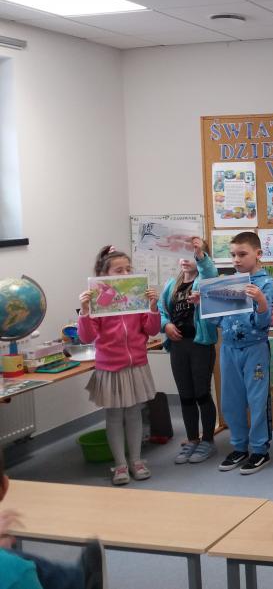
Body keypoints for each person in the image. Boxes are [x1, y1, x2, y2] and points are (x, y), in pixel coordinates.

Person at [79, 246, 160, 486]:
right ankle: (120, 464)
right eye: (119, 270)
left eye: (128, 269)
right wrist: (85, 312)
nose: (125, 274)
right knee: (114, 415)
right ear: (104, 275)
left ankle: (136, 460)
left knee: (134, 413)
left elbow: (152, 329)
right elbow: (86, 337)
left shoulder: (136, 297)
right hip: (110, 367)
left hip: (136, 364)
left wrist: (153, 307)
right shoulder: (99, 300)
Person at [204, 231, 273, 475]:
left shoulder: (265, 284)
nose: (236, 259)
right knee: (231, 400)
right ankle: (239, 447)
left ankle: (260, 450)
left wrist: (262, 301)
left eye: (242, 254)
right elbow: (218, 320)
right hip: (229, 348)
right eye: (233, 254)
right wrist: (203, 305)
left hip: (255, 349)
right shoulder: (228, 283)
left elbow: (264, 323)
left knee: (257, 400)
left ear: (258, 254)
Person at [0, 449, 106, 589]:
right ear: (5, 486)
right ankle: (77, 581)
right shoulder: (16, 574)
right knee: (19, 562)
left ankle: (74, 579)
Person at [157, 237, 219, 465]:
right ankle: (192, 439)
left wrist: (200, 253)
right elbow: (161, 311)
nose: (185, 259)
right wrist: (166, 325)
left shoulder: (205, 279)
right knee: (185, 395)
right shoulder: (171, 285)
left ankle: (208, 441)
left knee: (202, 393)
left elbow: (210, 271)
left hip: (200, 344)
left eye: (191, 254)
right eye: (182, 255)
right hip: (178, 346)